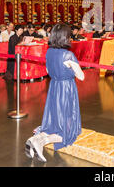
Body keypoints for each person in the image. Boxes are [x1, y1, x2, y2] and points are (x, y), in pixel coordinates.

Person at [25, 24, 84, 162]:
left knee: (55, 119)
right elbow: (81, 76)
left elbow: (47, 70)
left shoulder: (49, 52)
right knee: (67, 130)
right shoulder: (68, 55)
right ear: (65, 37)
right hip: (66, 89)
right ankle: (41, 141)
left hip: (54, 88)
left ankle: (35, 138)